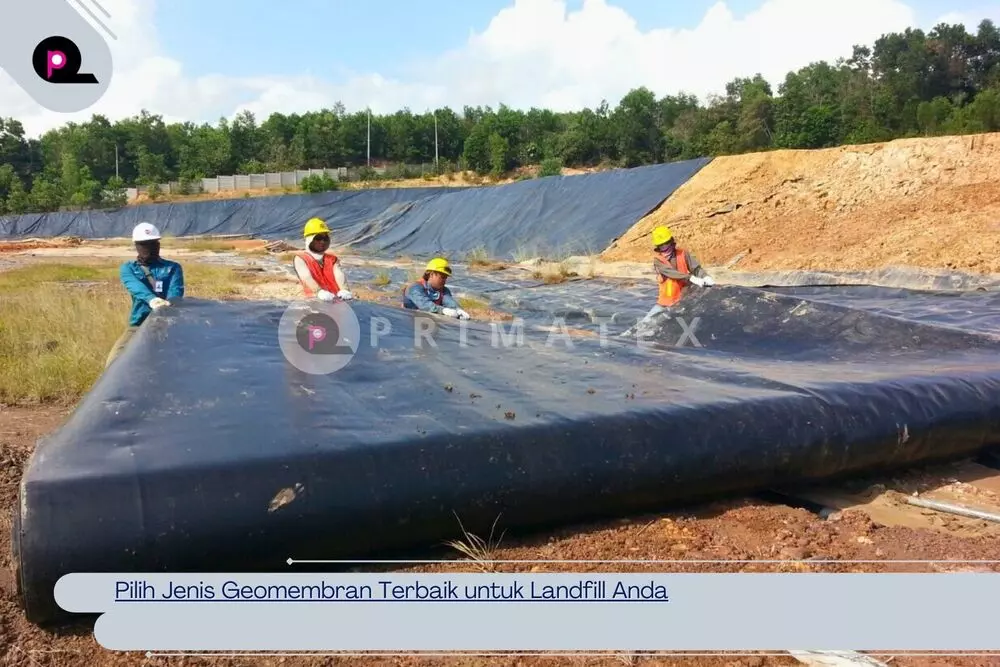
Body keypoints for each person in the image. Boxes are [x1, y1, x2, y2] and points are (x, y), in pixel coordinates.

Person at [105, 222, 185, 367]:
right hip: (139, 325)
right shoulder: (128, 269)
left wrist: (169, 305)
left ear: (158, 243)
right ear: (136, 245)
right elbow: (135, 287)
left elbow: (176, 293)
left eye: (152, 243)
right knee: (114, 363)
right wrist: (152, 299)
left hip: (168, 324)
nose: (149, 247)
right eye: (144, 244)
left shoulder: (173, 268)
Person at [630, 225, 714, 334]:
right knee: (646, 325)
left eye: (666, 245)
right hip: (666, 303)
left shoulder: (683, 254)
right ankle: (630, 335)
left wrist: (705, 276)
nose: (665, 249)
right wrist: (691, 278)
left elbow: (696, 268)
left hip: (683, 299)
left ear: (671, 242)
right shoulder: (658, 261)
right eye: (661, 247)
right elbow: (672, 273)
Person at [293, 217, 354, 302]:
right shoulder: (300, 259)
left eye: (325, 239)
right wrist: (319, 292)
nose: (322, 242)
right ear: (309, 239)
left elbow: (339, 274)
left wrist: (345, 289)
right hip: (312, 302)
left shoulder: (333, 259)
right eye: (318, 238)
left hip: (335, 300)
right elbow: (306, 277)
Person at [402, 257, 470, 319]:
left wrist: (458, 310)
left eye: (445, 278)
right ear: (431, 274)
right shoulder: (415, 288)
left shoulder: (444, 290)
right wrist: (443, 310)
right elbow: (425, 305)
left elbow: (449, 302)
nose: (444, 280)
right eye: (442, 277)